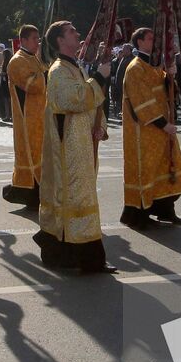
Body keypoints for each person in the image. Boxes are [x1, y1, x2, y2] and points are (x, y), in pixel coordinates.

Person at [37, 20, 117, 273]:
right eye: (72, 31)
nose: (78, 33)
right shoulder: (58, 70)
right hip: (67, 151)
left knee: (82, 197)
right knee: (74, 199)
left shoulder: (76, 68)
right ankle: (80, 257)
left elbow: (92, 102)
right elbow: (72, 99)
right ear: (60, 40)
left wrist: (100, 125)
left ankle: (84, 257)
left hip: (82, 144)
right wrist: (99, 78)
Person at [120, 27, 181, 228]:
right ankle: (139, 216)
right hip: (145, 131)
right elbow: (142, 102)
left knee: (166, 169)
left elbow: (169, 92)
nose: (154, 42)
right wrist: (163, 124)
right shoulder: (135, 68)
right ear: (140, 42)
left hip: (161, 129)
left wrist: (170, 77)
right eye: (151, 38)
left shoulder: (154, 65)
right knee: (147, 171)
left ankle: (166, 210)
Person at [3, 24, 47, 209]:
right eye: (35, 39)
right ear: (24, 40)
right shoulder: (17, 61)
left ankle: (36, 193)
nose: (38, 42)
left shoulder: (33, 59)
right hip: (27, 120)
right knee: (32, 156)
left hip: (40, 117)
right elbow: (33, 85)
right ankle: (29, 195)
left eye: (38, 38)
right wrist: (47, 74)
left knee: (41, 156)